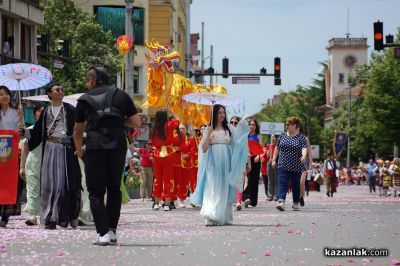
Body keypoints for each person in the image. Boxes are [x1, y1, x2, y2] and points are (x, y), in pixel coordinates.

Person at [74, 67, 141, 246]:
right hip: (118, 146)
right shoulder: (121, 95)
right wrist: (118, 122)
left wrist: (79, 150)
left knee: (95, 191)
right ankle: (111, 231)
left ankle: (102, 233)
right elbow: (136, 122)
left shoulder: (84, 99)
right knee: (114, 189)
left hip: (95, 147)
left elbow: (77, 130)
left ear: (91, 81)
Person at [27, 82, 82, 230]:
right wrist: (24, 131)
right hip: (50, 149)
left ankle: (68, 215)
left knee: (65, 183)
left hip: (66, 150)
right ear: (49, 94)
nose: (60, 91)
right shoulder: (45, 112)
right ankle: (49, 217)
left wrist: (78, 145)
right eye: (57, 90)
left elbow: (78, 130)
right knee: (49, 184)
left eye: (62, 89)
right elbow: (37, 132)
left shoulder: (70, 109)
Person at [190, 104, 249, 226]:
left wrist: (243, 124)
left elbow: (238, 143)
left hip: (226, 161)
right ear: (214, 114)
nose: (221, 115)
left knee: (224, 187)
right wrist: (208, 136)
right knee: (212, 187)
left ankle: (225, 215)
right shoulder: (208, 129)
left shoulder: (229, 129)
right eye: (219, 113)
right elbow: (204, 149)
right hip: (212, 162)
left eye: (223, 112)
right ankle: (210, 215)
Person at [271, 117, 308, 211]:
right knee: (283, 183)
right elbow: (277, 148)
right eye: (286, 124)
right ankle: (281, 201)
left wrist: (303, 156)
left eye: (288, 124)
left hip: (296, 165)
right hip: (283, 164)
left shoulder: (301, 137)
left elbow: (304, 148)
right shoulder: (282, 136)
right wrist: (274, 159)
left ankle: (296, 203)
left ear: (295, 125)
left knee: (296, 185)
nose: (286, 126)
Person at [0, 85, 23, 228]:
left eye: (6, 94)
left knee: (10, 181)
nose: (4, 96)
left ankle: (6, 214)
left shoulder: (16, 112)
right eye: (1, 94)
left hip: (11, 151)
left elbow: (22, 131)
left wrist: (21, 121)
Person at [20, 104, 45, 226]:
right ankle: (32, 215)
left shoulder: (51, 130)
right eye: (39, 111)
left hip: (47, 162)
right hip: (33, 162)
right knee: (32, 189)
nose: (42, 113)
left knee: (46, 189)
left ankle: (46, 214)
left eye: (44, 111)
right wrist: (21, 167)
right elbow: (24, 150)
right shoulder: (30, 129)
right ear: (34, 114)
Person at [150, 110, 179, 211]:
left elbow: (152, 142)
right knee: (168, 179)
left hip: (157, 154)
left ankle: (156, 203)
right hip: (169, 153)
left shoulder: (153, 129)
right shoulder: (169, 125)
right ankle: (167, 204)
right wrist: (172, 112)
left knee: (158, 179)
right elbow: (177, 121)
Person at [242, 119, 263, 208]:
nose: (252, 126)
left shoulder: (259, 136)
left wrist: (258, 156)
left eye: (254, 124)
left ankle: (253, 201)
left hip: (256, 159)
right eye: (250, 124)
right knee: (248, 179)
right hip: (247, 158)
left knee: (254, 180)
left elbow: (260, 148)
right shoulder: (245, 136)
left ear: (256, 126)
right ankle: (245, 198)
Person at [266, 135, 278, 201]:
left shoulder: (278, 146)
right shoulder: (269, 145)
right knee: (270, 180)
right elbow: (267, 156)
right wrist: (269, 148)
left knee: (276, 180)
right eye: (272, 137)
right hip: (270, 163)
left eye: (274, 137)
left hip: (277, 163)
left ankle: (276, 195)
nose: (273, 138)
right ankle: (270, 195)